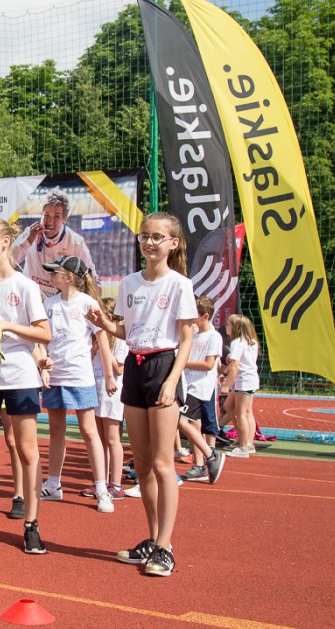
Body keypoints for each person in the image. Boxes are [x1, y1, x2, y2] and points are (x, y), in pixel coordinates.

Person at [88, 212, 197, 577]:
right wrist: (105, 323)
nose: (149, 243)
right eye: (144, 236)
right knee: (144, 464)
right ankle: (152, 539)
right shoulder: (130, 283)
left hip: (163, 366)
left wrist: (171, 381)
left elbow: (186, 340)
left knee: (164, 464)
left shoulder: (180, 284)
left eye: (157, 237)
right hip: (135, 368)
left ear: (173, 243)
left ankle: (166, 547)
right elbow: (127, 330)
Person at [0, 219, 51, 552]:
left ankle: (31, 524)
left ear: (5, 241)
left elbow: (44, 333)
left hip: (19, 375)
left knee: (26, 450)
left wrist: (7, 326)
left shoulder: (24, 286)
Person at [36, 255, 117, 514]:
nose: (51, 276)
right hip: (55, 377)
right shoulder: (49, 304)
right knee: (56, 432)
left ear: (69, 277)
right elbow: (42, 340)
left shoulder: (87, 303)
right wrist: (43, 363)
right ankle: (53, 484)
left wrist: (109, 375)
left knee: (89, 431)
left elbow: (102, 340)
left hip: (80, 377)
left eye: (55, 272)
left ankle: (102, 488)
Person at [11, 189, 97, 299]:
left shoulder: (76, 242)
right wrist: (28, 241)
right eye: (46, 215)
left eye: (56, 216)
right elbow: (10, 260)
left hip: (60, 301)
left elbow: (90, 275)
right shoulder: (30, 233)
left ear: (65, 219)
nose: (50, 221)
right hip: (30, 298)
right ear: (41, 214)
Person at [178, 296, 227, 482]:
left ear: (206, 316)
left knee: (180, 421)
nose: (192, 318)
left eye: (195, 315)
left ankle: (211, 454)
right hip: (188, 384)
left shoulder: (214, 336)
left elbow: (209, 364)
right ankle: (199, 466)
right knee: (194, 425)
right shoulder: (194, 334)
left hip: (199, 387)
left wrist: (183, 363)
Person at [84, 297, 129, 501]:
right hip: (97, 389)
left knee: (112, 438)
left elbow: (119, 368)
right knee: (100, 438)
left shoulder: (119, 340)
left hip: (112, 392)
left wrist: (105, 349)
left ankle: (116, 484)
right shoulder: (99, 338)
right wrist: (97, 346)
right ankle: (101, 481)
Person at [220, 314, 261, 458]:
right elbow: (237, 364)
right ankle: (246, 441)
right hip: (250, 379)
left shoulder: (237, 342)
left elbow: (235, 367)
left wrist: (226, 385)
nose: (226, 327)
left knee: (242, 413)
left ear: (235, 327)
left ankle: (244, 446)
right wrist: (224, 372)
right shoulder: (251, 341)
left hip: (244, 380)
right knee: (230, 407)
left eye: (228, 324)